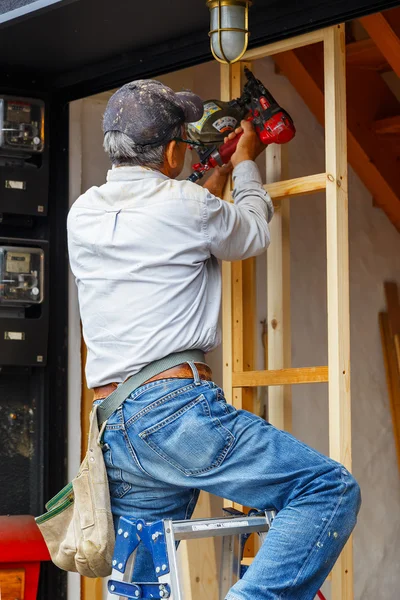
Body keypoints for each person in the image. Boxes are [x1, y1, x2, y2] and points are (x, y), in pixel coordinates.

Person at [67, 79, 361, 600]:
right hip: (176, 413)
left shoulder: (83, 212)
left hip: (116, 424)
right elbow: (251, 229)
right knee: (327, 489)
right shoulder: (187, 206)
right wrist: (245, 161)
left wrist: (215, 173)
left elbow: (165, 224)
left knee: (141, 583)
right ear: (176, 150)